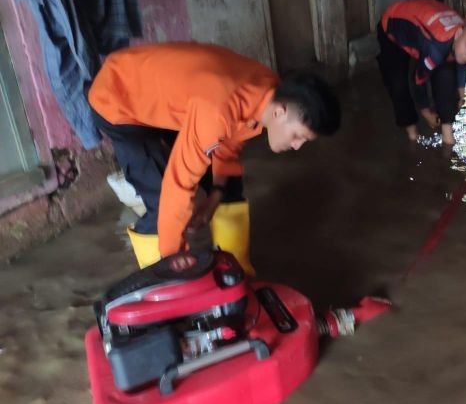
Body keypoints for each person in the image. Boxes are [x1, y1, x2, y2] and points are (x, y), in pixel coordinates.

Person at [88, 42, 341, 272]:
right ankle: (162, 283)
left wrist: (215, 196)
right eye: (298, 136)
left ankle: (236, 269)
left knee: (228, 180)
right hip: (119, 97)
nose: (297, 146)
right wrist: (174, 256)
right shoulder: (217, 111)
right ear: (280, 113)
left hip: (173, 99)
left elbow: (229, 141)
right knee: (161, 198)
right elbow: (178, 183)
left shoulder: (267, 91)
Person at [377, 0, 466, 145]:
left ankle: (447, 135)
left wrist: (460, 94)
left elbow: (462, 65)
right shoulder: (436, 48)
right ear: (458, 33)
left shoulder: (463, 35)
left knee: (446, 73)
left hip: (424, 26)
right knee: (398, 84)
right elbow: (418, 80)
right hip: (392, 25)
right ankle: (412, 135)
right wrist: (426, 112)